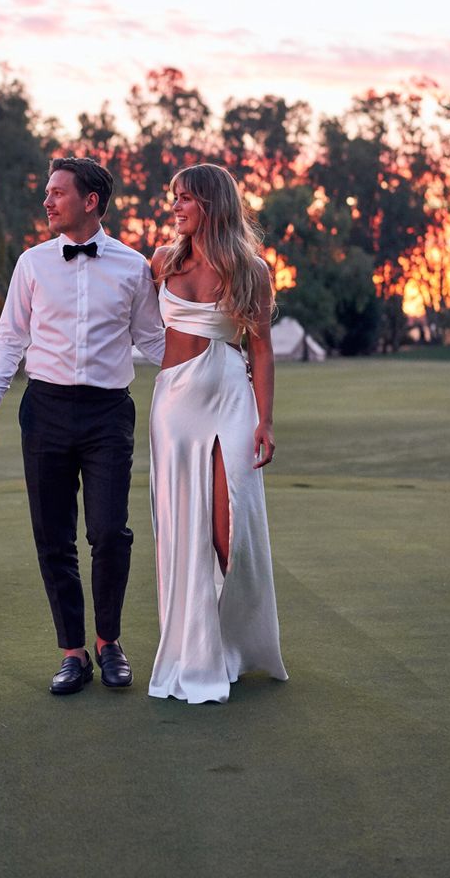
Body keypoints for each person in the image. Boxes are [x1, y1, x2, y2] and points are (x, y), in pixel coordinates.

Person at [0, 156, 165, 695]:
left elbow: (153, 341)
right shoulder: (31, 264)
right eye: (48, 193)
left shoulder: (132, 266)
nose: (48, 201)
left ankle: (110, 643)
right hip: (45, 410)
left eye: (58, 193)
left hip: (108, 413)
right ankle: (72, 653)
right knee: (52, 537)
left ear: (90, 201)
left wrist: (212, 362)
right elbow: (11, 337)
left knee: (109, 532)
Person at [148, 163, 288, 703]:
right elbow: (134, 323)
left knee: (232, 528)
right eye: (174, 197)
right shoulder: (162, 261)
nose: (176, 206)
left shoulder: (250, 268)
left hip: (231, 395)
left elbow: (261, 350)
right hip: (174, 405)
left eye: (185, 198)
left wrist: (265, 420)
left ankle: (233, 645)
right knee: (184, 525)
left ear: (211, 203)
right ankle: (197, 650)